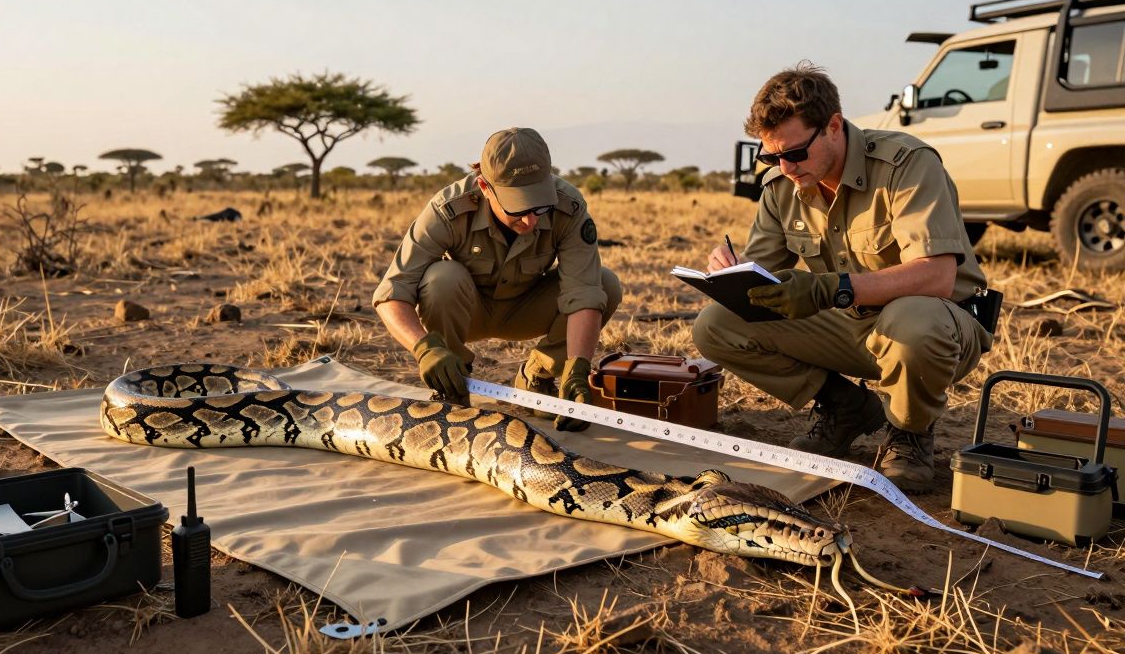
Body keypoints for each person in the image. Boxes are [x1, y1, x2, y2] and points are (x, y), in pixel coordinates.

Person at [692, 63, 992, 493]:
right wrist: (729, 272)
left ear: (833, 126)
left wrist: (830, 288)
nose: (785, 167)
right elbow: (760, 280)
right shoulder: (782, 185)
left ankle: (909, 432)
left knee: (913, 321)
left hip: (938, 328)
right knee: (716, 325)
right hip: (849, 324)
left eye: (794, 153)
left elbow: (938, 276)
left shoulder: (906, 165)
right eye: (771, 156)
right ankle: (845, 406)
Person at [373, 127, 622, 432]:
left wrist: (578, 368)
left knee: (605, 284)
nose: (531, 220)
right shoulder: (448, 208)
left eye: (539, 206)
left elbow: (583, 292)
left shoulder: (568, 206)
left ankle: (538, 376)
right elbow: (391, 294)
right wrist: (425, 349)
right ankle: (452, 384)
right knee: (441, 278)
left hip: (527, 308)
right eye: (518, 207)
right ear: (485, 187)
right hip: (466, 310)